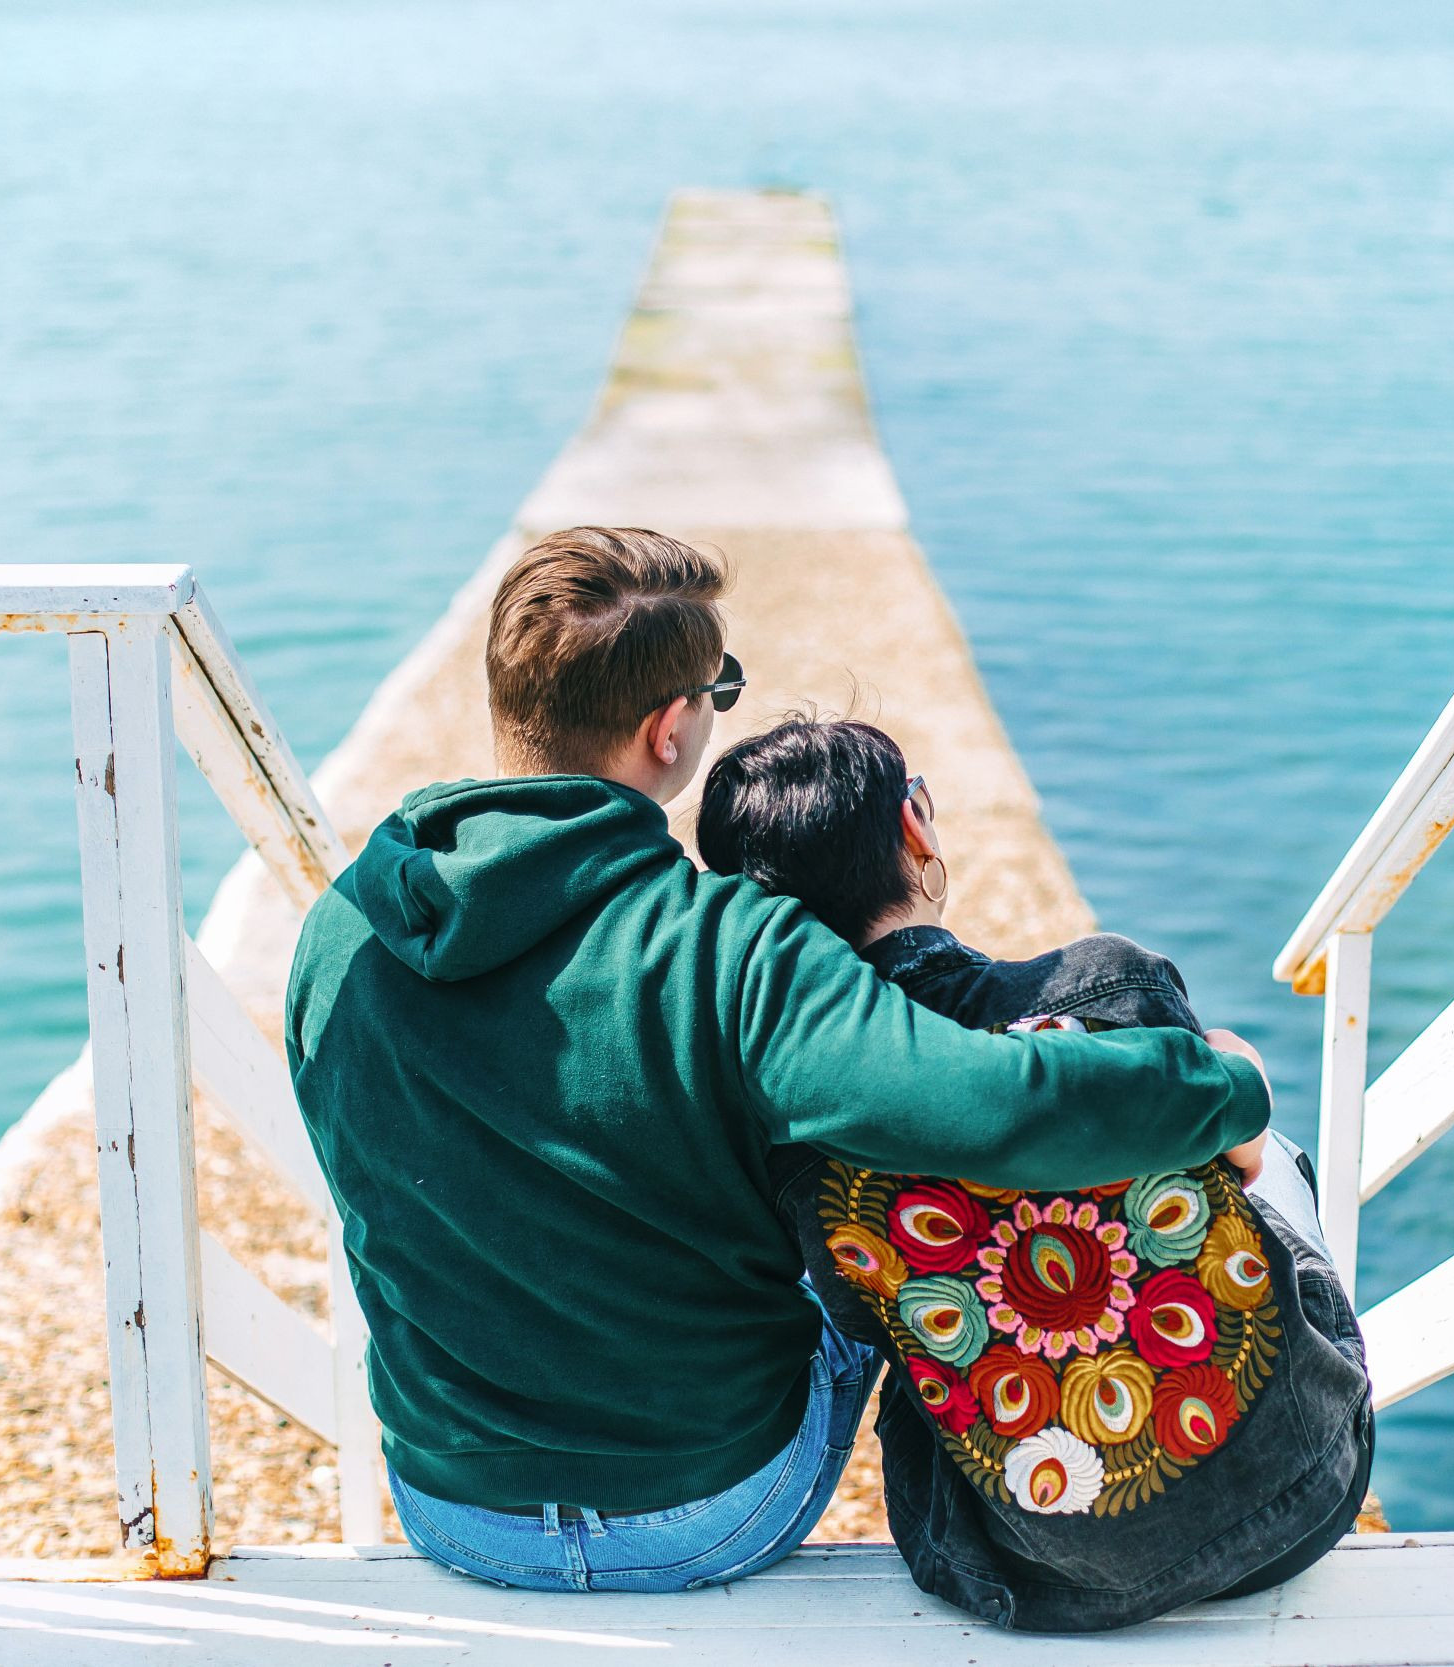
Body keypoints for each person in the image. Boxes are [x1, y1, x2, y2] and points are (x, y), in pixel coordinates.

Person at [283, 526, 1274, 1595]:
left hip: (453, 1506)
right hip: (708, 1506)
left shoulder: (342, 929)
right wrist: (1224, 1087)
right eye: (721, 689)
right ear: (672, 728)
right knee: (867, 1226)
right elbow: (991, 1105)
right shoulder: (732, 943)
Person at [697, 715, 1375, 1632]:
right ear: (917, 828)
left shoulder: (792, 1117)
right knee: (1275, 1155)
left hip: (1029, 1576)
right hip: (1300, 1500)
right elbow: (1242, 1154)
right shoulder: (1109, 982)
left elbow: (861, 1319)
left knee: (882, 1303)